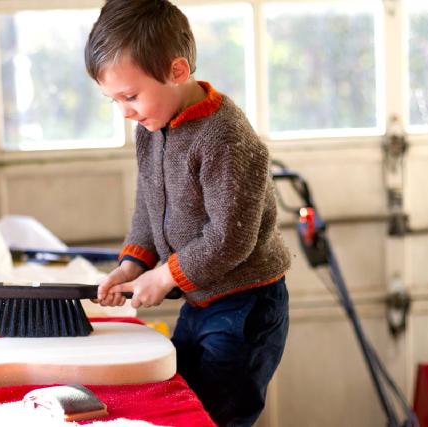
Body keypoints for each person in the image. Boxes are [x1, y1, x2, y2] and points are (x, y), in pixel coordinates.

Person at [84, 1, 291, 426]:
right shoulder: (153, 125)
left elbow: (230, 239)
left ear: (178, 72)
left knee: (216, 416)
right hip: (199, 299)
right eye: (114, 100)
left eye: (131, 96)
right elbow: (148, 201)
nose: (125, 111)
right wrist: (131, 265)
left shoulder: (225, 136)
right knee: (185, 402)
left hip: (245, 304)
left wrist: (162, 277)